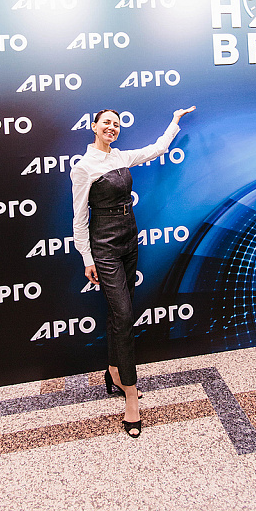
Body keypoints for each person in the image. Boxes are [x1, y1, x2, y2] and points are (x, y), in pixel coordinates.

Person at [71, 106, 196, 437]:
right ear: (94, 126)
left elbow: (157, 149)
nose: (112, 127)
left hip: (129, 239)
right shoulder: (83, 167)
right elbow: (79, 217)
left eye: (116, 124)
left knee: (118, 315)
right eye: (106, 123)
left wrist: (174, 122)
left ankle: (113, 371)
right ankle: (130, 394)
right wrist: (87, 258)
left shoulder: (121, 156)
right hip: (104, 246)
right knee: (125, 316)